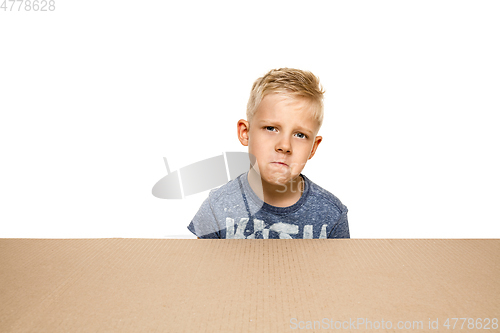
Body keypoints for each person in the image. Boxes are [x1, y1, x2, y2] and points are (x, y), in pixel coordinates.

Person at [187, 68, 350, 239]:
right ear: (245, 133)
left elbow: (341, 266)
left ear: (313, 148)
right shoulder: (218, 207)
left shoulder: (331, 215)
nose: (285, 146)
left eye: (300, 135)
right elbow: (200, 265)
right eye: (271, 128)